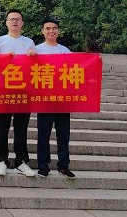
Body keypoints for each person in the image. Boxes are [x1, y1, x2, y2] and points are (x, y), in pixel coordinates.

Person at [0, 9, 37, 177]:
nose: (15, 21)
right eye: (11, 19)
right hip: (4, 90)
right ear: (6, 22)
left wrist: (33, 55)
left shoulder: (29, 42)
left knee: (21, 128)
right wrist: (4, 59)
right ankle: (1, 160)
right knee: (2, 127)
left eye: (18, 19)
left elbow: (35, 66)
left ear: (22, 23)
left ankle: (21, 161)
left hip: (24, 91)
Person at [35, 17, 75, 179]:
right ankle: (43, 165)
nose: (51, 31)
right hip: (44, 99)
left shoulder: (65, 51)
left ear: (58, 31)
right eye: (48, 28)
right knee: (43, 134)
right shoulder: (36, 50)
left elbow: (76, 69)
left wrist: (95, 62)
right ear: (42, 31)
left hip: (62, 99)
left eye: (54, 28)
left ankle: (63, 165)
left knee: (63, 135)